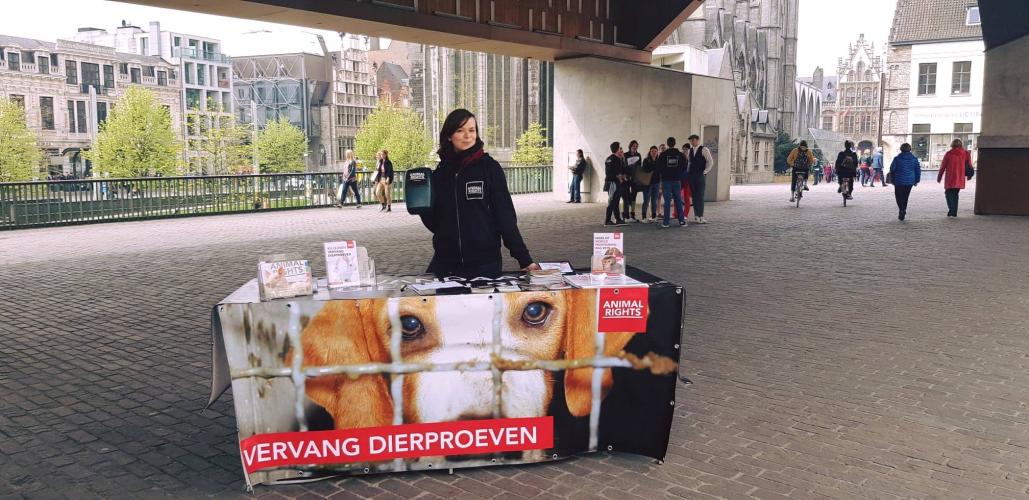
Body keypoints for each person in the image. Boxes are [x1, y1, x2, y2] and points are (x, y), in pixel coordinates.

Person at [418, 108, 539, 278]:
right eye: (460, 130)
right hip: (445, 262)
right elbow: (436, 223)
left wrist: (524, 259)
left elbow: (505, 217)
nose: (467, 135)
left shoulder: (490, 169)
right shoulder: (439, 175)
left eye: (472, 130)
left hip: (485, 263)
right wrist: (423, 208)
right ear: (449, 136)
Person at [657, 137, 687, 228]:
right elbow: (684, 166)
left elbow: (659, 168)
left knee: (667, 201)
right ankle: (682, 221)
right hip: (677, 180)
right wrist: (678, 174)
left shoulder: (662, 155)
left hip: (666, 181)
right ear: (675, 143)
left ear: (667, 144)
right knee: (678, 200)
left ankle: (666, 223)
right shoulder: (680, 154)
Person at [938, 138, 971, 218]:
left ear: (952, 145)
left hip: (950, 177)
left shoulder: (949, 154)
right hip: (960, 177)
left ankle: (951, 209)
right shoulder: (966, 153)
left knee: (948, 193)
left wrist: (939, 177)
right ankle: (954, 212)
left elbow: (943, 166)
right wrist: (969, 176)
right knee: (955, 194)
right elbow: (969, 165)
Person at [888, 143, 921, 221]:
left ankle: (901, 209)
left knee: (898, 196)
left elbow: (892, 169)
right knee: (906, 197)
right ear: (910, 149)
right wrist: (917, 180)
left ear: (901, 149)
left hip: (899, 180)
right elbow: (918, 170)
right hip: (910, 181)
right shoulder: (914, 159)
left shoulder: (897, 158)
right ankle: (903, 210)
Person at [686, 134, 713, 223]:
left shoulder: (704, 149)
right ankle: (696, 216)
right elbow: (689, 163)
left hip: (700, 176)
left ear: (698, 140)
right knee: (694, 196)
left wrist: (705, 172)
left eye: (693, 140)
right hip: (691, 176)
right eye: (690, 141)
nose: (692, 142)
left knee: (700, 196)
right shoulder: (690, 151)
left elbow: (710, 162)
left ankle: (701, 216)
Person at [603, 142, 629, 226]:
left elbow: (619, 171)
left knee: (615, 201)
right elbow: (612, 172)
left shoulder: (611, 158)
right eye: (619, 148)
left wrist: (621, 175)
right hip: (613, 183)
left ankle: (618, 219)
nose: (621, 149)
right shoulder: (615, 159)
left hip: (613, 183)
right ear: (617, 149)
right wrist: (619, 177)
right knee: (612, 202)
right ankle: (607, 221)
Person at [639, 145, 660, 222]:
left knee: (654, 200)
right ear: (650, 152)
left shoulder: (659, 160)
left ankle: (653, 216)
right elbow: (645, 171)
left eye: (655, 151)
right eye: (652, 151)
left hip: (656, 183)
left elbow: (659, 171)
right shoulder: (646, 160)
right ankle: (644, 217)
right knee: (646, 200)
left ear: (657, 152)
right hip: (647, 184)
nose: (654, 152)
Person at [623, 140, 642, 222]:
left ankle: (632, 215)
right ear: (630, 146)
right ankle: (625, 215)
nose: (635, 147)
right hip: (627, 178)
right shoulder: (625, 155)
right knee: (626, 197)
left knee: (634, 196)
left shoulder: (638, 155)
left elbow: (639, 167)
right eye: (634, 146)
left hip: (635, 179)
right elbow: (623, 166)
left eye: (636, 146)